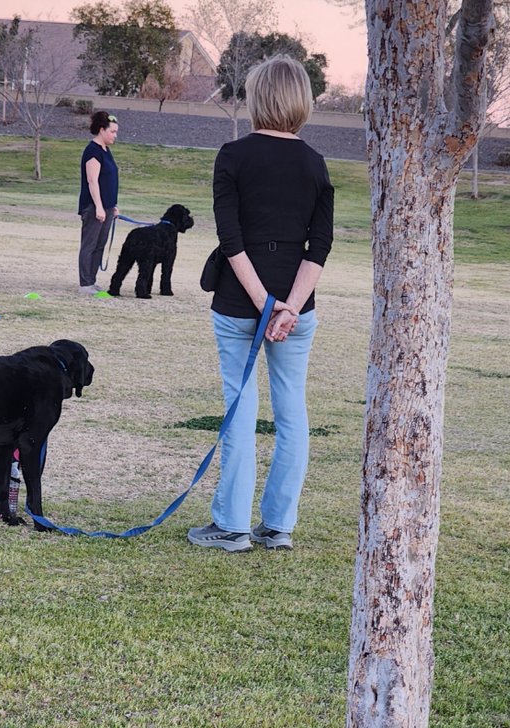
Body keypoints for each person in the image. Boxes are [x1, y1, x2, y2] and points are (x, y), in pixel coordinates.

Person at [188, 55, 334, 552]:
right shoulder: (315, 164)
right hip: (296, 309)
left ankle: (232, 525)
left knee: (242, 410)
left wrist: (268, 305)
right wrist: (288, 306)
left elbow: (232, 240)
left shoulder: (232, 155)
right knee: (291, 412)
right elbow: (320, 246)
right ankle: (278, 526)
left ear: (257, 98)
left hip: (240, 305)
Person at [78, 111, 119, 295]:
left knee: (99, 245)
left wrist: (112, 206)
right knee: (89, 244)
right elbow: (92, 181)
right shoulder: (92, 151)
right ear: (102, 130)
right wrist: (99, 207)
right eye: (112, 131)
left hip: (108, 207)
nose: (115, 135)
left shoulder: (106, 151)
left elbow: (108, 180)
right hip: (94, 207)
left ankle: (92, 281)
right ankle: (85, 283)